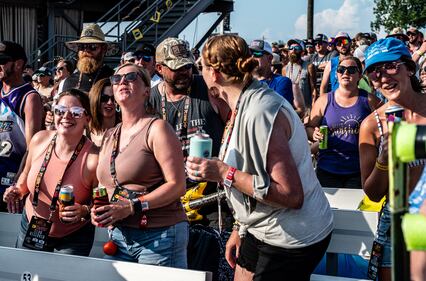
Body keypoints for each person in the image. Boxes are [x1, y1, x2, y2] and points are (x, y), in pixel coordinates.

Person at [187, 34, 333, 281]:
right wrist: (240, 227)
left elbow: (291, 195)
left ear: (213, 73)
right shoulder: (245, 100)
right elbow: (253, 174)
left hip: (292, 236)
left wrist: (223, 172)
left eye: (201, 67)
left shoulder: (259, 111)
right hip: (261, 225)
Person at [93, 63, 188, 268]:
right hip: (118, 236)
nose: (122, 82)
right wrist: (92, 209)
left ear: (147, 91)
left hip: (158, 237)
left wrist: (131, 206)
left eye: (131, 77)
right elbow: (103, 185)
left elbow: (177, 186)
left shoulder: (157, 129)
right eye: (116, 79)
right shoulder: (110, 134)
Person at [359, 37, 426, 281]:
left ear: (409, 68)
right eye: (374, 72)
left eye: (390, 66)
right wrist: (385, 156)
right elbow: (372, 194)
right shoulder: (371, 125)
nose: (383, 77)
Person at [3, 89, 98, 255]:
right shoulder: (40, 139)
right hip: (33, 226)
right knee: (27, 274)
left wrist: (83, 210)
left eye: (76, 113)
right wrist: (16, 191)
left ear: (87, 119)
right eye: (60, 111)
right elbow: (24, 179)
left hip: (73, 236)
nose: (66, 117)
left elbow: (102, 203)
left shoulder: (94, 158)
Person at [306, 56, 380, 188]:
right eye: (341, 69)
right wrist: (314, 134)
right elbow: (309, 128)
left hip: (359, 169)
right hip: (327, 168)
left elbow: (389, 121)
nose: (346, 73)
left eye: (351, 70)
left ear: (359, 75)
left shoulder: (370, 100)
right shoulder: (323, 100)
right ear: (336, 74)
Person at [0, 41, 44, 211]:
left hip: (11, 178)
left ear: (18, 64)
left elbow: (33, 147)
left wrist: (18, 183)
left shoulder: (29, 97)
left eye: (2, 61)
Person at [62, 23, 115, 93]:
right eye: (82, 46)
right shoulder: (69, 81)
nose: (86, 50)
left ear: (104, 49)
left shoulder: (113, 78)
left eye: (92, 46)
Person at [249, 39, 297, 110]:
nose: (252, 57)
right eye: (250, 54)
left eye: (257, 54)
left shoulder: (281, 82)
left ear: (270, 58)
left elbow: (277, 111)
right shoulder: (244, 83)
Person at [284, 39, 317, 109]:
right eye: (291, 48)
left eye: (296, 48)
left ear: (302, 52)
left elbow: (313, 89)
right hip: (290, 109)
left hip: (306, 109)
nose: (293, 50)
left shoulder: (309, 67)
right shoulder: (284, 69)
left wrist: (313, 108)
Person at [88, 78, 120, 147]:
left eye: (114, 98)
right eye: (104, 98)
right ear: (95, 99)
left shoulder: (123, 129)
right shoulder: (84, 129)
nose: (110, 102)